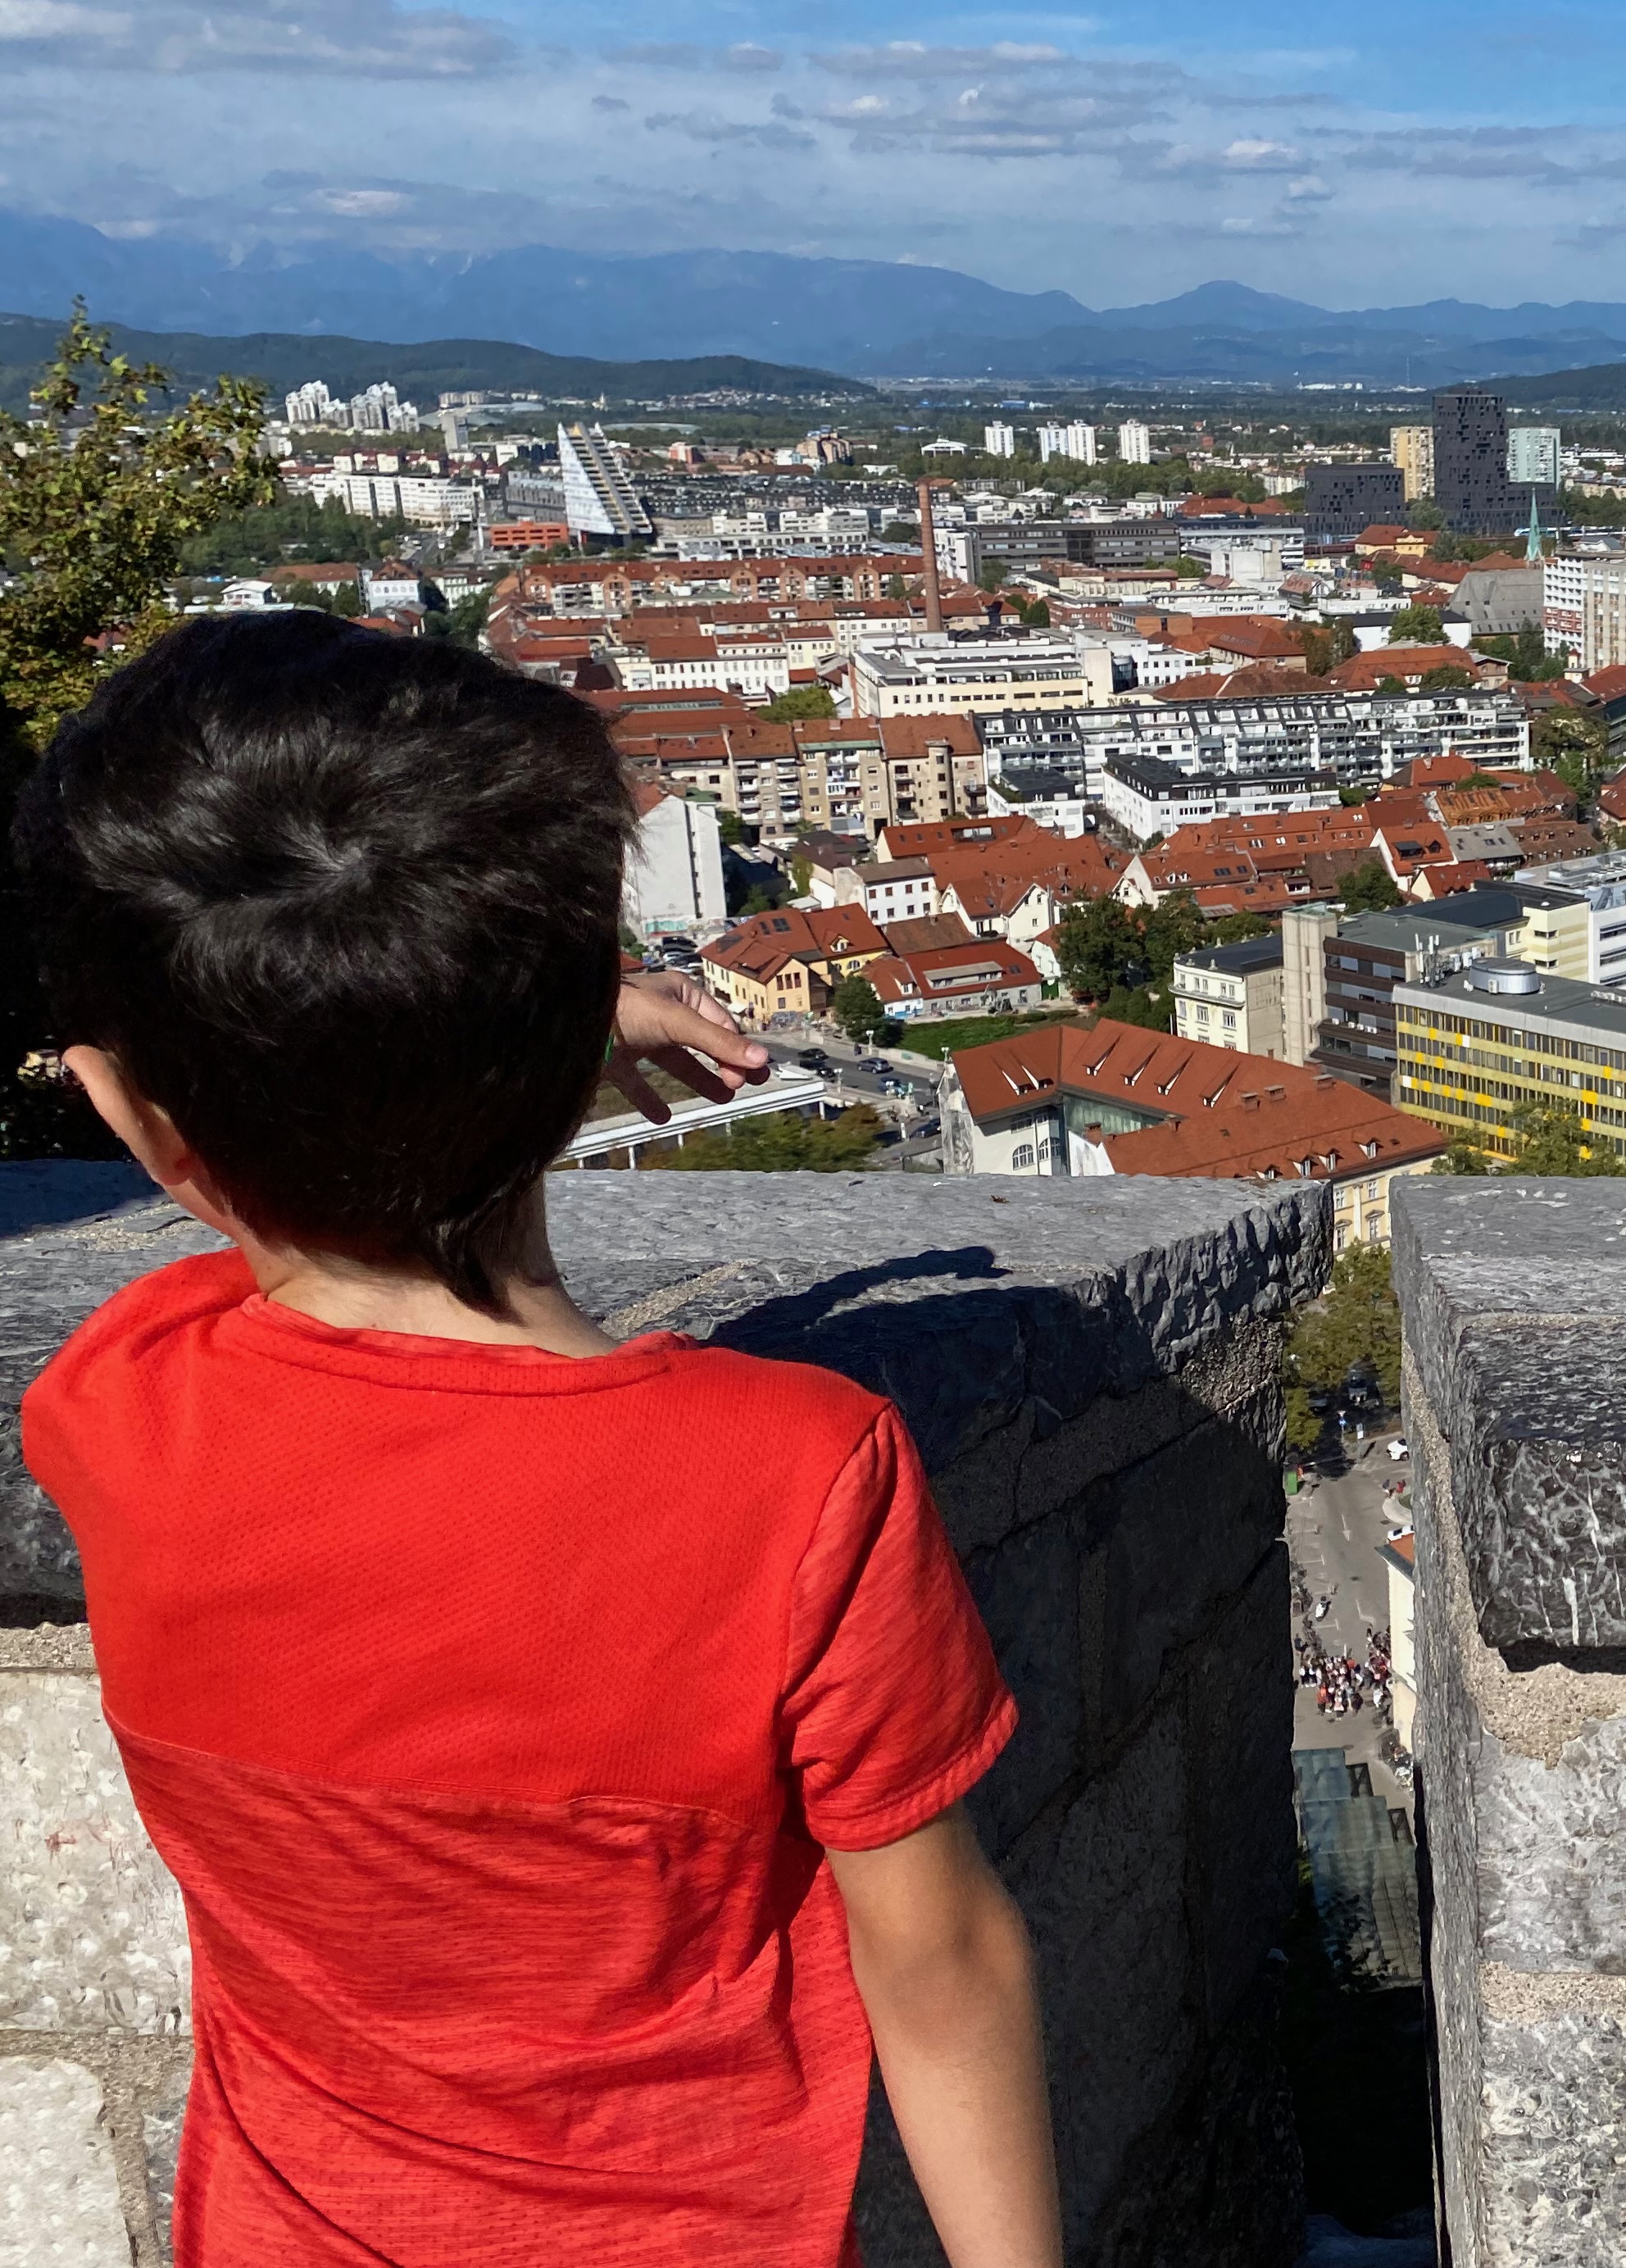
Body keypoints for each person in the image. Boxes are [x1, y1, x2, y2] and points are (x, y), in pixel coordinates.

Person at [11, 613, 1061, 2268]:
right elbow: (944, 1966)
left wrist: (528, 1030)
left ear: (134, 1114)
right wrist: (550, 1021)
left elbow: (301, 1196)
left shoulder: (115, 1399)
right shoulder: (798, 1479)